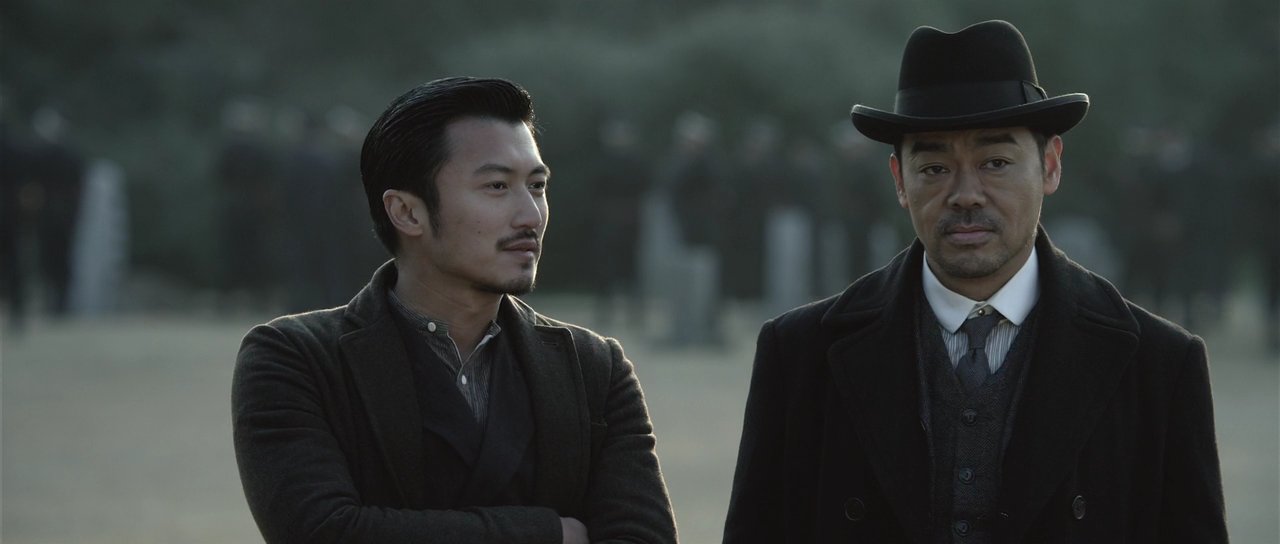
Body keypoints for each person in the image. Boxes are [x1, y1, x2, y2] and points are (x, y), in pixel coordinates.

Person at [723, 20, 1227, 542]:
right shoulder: (800, 356)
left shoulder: (1158, 366)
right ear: (899, 180)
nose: (966, 194)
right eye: (934, 168)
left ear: (1050, 166)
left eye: (996, 162)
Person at [232, 77, 677, 544]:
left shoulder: (594, 369)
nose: (531, 215)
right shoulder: (296, 360)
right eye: (497, 186)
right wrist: (549, 532)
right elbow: (324, 531)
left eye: (537, 185)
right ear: (407, 212)